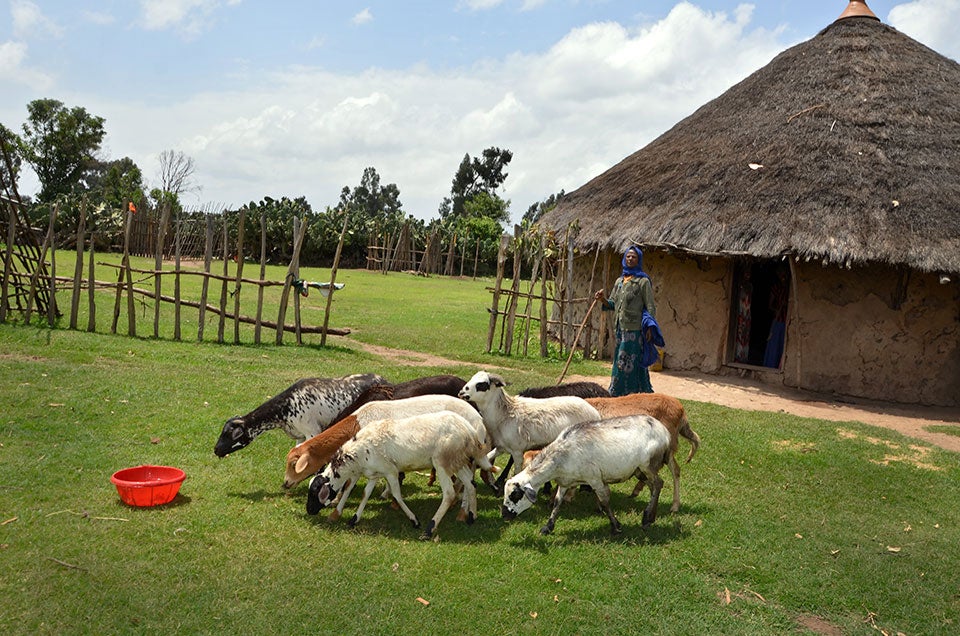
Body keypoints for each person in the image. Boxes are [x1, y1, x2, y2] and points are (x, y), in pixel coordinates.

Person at [595, 245, 661, 396]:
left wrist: (650, 327)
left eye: (634, 257)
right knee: (620, 361)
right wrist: (602, 299)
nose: (630, 259)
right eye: (628, 256)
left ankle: (631, 392)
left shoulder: (643, 281)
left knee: (631, 362)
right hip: (621, 330)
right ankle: (619, 391)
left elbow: (650, 306)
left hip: (635, 330)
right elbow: (612, 303)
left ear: (639, 260)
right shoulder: (620, 282)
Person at [763, 267, 788, 368]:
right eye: (780, 274)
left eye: (784, 274)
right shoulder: (776, 288)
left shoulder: (788, 287)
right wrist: (777, 309)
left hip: (786, 321)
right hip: (778, 320)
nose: (782, 277)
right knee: (774, 344)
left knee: (783, 344)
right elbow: (770, 305)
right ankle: (770, 365)